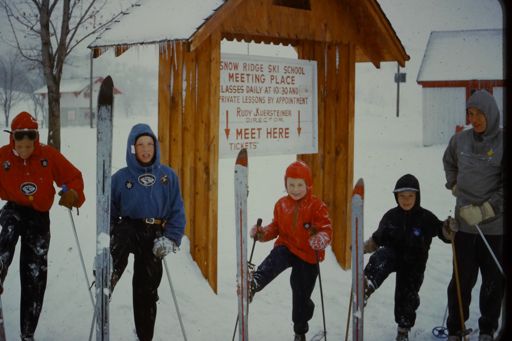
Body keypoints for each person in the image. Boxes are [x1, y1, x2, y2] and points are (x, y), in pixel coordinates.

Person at [0, 111, 85, 340]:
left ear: (35, 140)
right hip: (14, 209)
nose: (24, 151)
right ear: (13, 139)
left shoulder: (48, 156)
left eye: (29, 146)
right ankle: (0, 265)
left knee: (34, 275)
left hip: (38, 217)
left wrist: (73, 193)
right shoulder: (3, 157)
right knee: (8, 228)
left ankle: (28, 331)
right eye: (20, 146)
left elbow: (73, 176)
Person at [109, 123, 186, 341]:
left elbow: (177, 210)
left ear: (156, 147)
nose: (145, 149)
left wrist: (170, 239)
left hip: (155, 234)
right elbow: (109, 211)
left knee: (146, 287)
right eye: (140, 144)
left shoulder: (167, 176)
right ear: (132, 148)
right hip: (130, 227)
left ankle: (144, 335)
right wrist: (111, 232)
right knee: (123, 235)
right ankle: (110, 274)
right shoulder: (120, 178)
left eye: (150, 144)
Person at [443, 90, 504, 341]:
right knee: (461, 279)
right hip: (465, 225)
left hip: (495, 227)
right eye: (470, 113)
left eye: (479, 113)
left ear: (490, 113)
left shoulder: (503, 142)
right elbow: (449, 161)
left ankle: (487, 328)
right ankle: (456, 328)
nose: (475, 118)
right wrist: (454, 183)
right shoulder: (460, 141)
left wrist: (485, 210)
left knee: (493, 281)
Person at [362, 173, 452, 341]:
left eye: (410, 196)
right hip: (393, 256)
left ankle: (403, 329)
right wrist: (364, 247)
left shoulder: (425, 217)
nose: (406, 200)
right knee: (382, 256)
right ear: (396, 197)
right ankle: (366, 284)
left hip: (414, 264)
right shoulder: (391, 216)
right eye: (402, 196)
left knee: (407, 296)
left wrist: (448, 230)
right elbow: (377, 239)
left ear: (417, 196)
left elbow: (441, 232)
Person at [248, 160, 332, 341]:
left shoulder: (317, 206)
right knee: (276, 257)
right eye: (291, 184)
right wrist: (262, 233)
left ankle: (300, 331)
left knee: (300, 293)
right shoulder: (281, 204)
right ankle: (255, 282)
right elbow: (276, 227)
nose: (295, 189)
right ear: (285, 184)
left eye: (299, 185)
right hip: (287, 246)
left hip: (309, 256)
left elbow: (326, 229)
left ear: (308, 185)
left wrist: (321, 239)